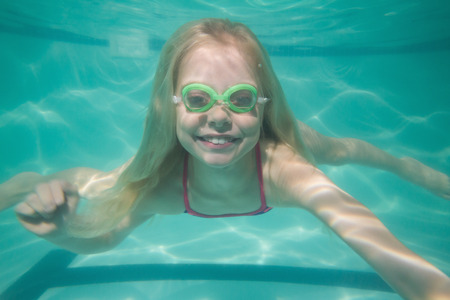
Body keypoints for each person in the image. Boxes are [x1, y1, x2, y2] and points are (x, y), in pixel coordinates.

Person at [1, 18, 449, 299]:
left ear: (263, 106)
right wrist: (62, 230)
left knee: (343, 150)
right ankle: (22, 181)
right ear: (169, 105)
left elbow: (367, 232)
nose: (218, 117)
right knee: (101, 182)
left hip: (284, 146)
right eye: (198, 98)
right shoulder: (163, 182)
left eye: (239, 98)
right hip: (170, 165)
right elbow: (105, 238)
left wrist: (412, 172)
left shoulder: (286, 169)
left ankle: (426, 176)